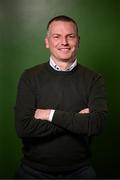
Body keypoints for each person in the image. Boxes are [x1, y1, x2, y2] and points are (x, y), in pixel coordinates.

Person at [14, 15, 107, 179]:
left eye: (70, 36)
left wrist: (49, 114)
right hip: (33, 171)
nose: (64, 42)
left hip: (80, 171)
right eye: (57, 36)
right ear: (47, 42)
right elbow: (24, 127)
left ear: (78, 40)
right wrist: (77, 119)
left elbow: (96, 124)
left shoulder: (94, 79)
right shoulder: (29, 76)